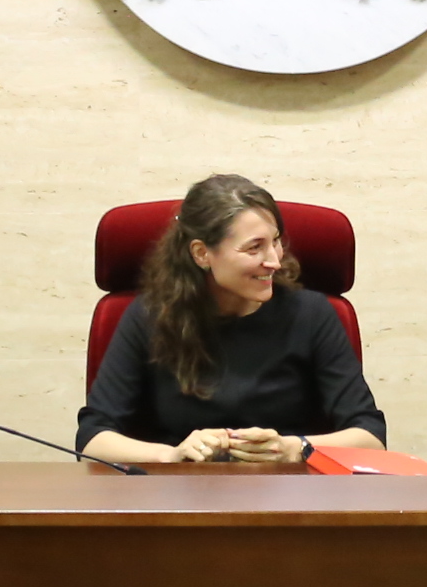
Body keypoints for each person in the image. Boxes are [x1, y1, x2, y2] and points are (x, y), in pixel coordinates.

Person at [78, 175, 387, 465]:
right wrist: (172, 455)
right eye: (255, 248)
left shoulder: (312, 314)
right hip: (181, 492)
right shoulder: (151, 316)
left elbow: (371, 438)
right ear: (202, 254)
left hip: (289, 491)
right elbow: (92, 440)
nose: (274, 261)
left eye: (275, 241)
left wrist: (295, 448)